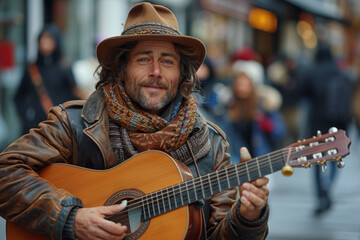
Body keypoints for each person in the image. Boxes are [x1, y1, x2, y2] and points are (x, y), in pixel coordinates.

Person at [0, 3, 269, 240]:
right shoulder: (77, 124)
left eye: (167, 61)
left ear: (181, 73)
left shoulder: (210, 144)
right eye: (143, 59)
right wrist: (69, 219)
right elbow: (6, 171)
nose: (155, 72)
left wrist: (248, 217)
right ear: (121, 67)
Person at [300, 42, 353, 216]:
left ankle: (320, 194)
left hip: (317, 124)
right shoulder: (341, 74)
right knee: (334, 157)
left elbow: (301, 93)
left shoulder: (312, 72)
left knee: (316, 160)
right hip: (338, 124)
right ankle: (328, 185)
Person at [14, 24, 86, 135]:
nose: (44, 41)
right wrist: (27, 116)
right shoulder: (32, 69)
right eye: (41, 38)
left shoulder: (64, 67)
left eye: (48, 38)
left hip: (60, 127)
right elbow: (18, 97)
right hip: (35, 127)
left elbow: (74, 96)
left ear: (56, 41)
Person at [218, 60, 286, 163]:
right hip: (235, 160)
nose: (242, 87)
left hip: (260, 159)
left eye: (246, 83)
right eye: (239, 83)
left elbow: (280, 132)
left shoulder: (264, 105)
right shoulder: (227, 106)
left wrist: (264, 122)